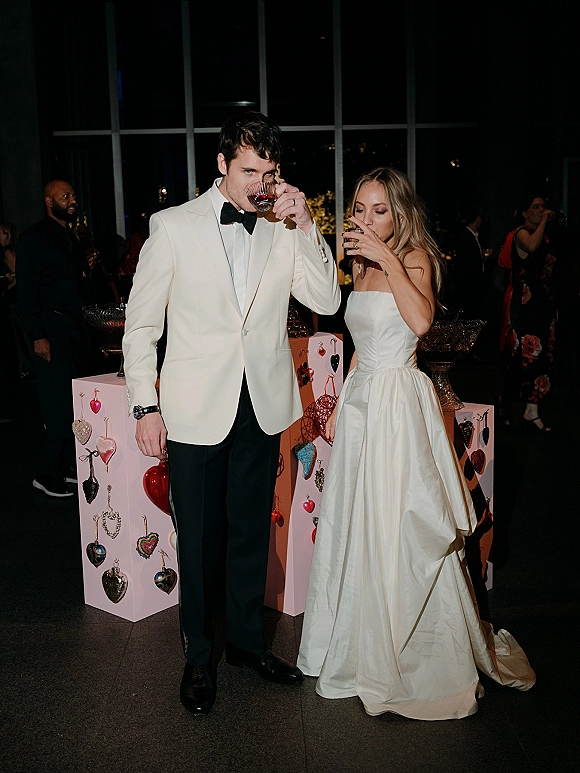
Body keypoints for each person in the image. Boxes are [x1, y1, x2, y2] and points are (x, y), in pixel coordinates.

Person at [297, 167, 535, 720]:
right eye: (360, 207)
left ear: (399, 213)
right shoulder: (356, 264)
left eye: (379, 208)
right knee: (356, 520)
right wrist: (340, 401)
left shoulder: (412, 260)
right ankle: (351, 640)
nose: (366, 217)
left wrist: (386, 256)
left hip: (399, 407)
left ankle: (413, 648)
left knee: (401, 520)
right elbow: (361, 336)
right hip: (362, 406)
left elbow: (422, 322)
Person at [122, 111, 340, 716]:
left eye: (269, 172)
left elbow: (326, 299)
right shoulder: (171, 227)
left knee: (249, 533)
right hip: (193, 408)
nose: (259, 184)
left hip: (260, 407)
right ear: (221, 164)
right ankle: (197, 657)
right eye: (248, 170)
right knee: (195, 536)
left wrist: (303, 224)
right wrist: (145, 404)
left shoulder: (281, 227)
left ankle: (245, 645)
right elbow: (141, 326)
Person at [16, 180, 91, 496]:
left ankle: (65, 465)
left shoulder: (68, 236)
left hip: (70, 328)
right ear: (49, 201)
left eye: (73, 195)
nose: (72, 200)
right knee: (57, 400)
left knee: (73, 400)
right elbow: (27, 291)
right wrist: (38, 336)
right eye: (65, 196)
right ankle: (46, 472)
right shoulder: (35, 238)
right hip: (50, 329)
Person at [500, 195, 557, 431]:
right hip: (525, 306)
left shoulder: (544, 236)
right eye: (535, 207)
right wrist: (544, 220)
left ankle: (531, 410)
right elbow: (530, 247)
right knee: (521, 357)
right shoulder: (521, 234)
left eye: (543, 207)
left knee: (541, 358)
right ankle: (506, 405)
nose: (541, 210)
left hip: (542, 303)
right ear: (524, 212)